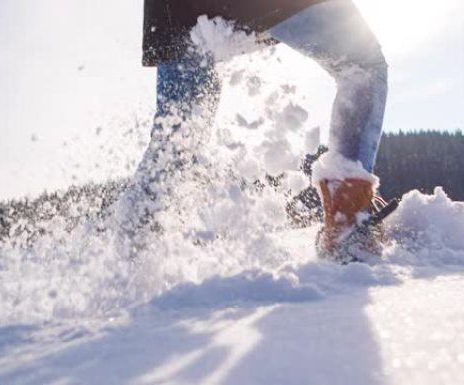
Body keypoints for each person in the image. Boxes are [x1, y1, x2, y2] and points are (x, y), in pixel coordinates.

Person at [139, 0, 389, 259]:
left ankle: (131, 249)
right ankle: (347, 223)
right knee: (362, 65)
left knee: (179, 138)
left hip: (174, 9)